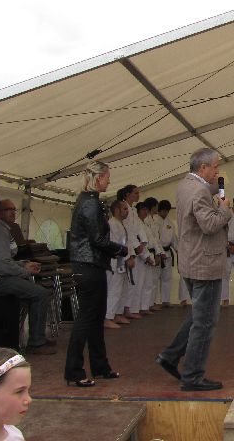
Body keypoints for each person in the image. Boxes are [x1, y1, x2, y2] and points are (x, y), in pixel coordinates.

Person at [156, 148, 231, 392]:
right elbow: (209, 224)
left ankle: (170, 355)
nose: (218, 171)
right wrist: (225, 208)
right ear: (203, 168)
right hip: (205, 263)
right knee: (205, 322)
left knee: (199, 314)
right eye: (215, 167)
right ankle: (193, 375)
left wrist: (216, 190)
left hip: (191, 260)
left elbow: (203, 194)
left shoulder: (185, 186)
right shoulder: (199, 191)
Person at [64, 161, 128, 387]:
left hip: (91, 264)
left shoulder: (89, 200)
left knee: (95, 318)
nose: (109, 181)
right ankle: (74, 371)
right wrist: (120, 249)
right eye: (107, 177)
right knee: (86, 318)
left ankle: (100, 366)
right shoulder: (90, 203)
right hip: (88, 265)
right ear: (99, 178)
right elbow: (98, 239)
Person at [0, 199, 55, 355]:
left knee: (31, 294)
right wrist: (25, 271)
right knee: (41, 294)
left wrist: (23, 264)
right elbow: (3, 264)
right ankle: (36, 343)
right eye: (8, 209)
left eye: (14, 209)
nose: (12, 212)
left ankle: (23, 336)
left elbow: (2, 260)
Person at [118, 184, 149, 320]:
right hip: (126, 247)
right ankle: (124, 310)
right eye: (135, 193)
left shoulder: (133, 210)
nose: (138, 195)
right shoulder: (124, 208)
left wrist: (142, 243)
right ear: (127, 194)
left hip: (134, 247)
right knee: (127, 282)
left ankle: (128, 308)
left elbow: (137, 230)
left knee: (134, 282)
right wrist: (137, 245)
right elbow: (128, 231)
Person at [104, 200, 133, 329]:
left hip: (121, 261)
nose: (127, 211)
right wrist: (127, 258)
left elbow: (126, 244)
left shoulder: (120, 224)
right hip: (114, 261)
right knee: (114, 289)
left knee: (121, 289)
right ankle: (107, 317)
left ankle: (116, 314)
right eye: (124, 209)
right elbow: (116, 244)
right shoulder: (112, 224)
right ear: (117, 210)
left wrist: (130, 257)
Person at [156, 199, 184, 308]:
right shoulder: (154, 221)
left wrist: (178, 250)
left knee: (167, 278)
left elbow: (173, 239)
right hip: (157, 253)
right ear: (159, 210)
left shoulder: (169, 223)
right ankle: (153, 302)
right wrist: (159, 252)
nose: (165, 213)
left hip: (167, 253)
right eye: (164, 211)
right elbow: (155, 239)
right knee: (155, 278)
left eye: (167, 211)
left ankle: (165, 300)